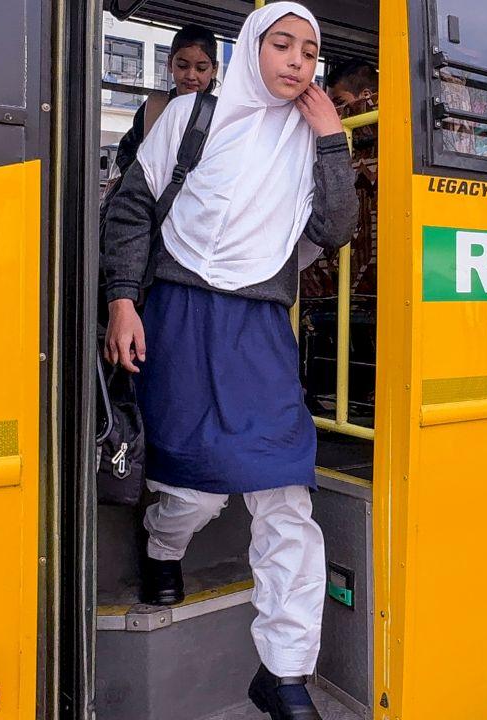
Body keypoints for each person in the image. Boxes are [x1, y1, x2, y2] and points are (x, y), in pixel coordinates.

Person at [102, 4, 357, 718]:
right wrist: (123, 301)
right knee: (195, 492)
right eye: (282, 44)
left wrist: (332, 140)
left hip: (258, 332)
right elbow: (130, 208)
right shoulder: (193, 116)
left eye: (310, 52)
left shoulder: (309, 142)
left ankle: (283, 672)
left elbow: (334, 228)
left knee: (286, 498)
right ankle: (161, 546)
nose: (296, 61)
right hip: (178, 319)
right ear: (250, 47)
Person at [113, 24, 220, 178]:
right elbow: (126, 152)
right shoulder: (154, 107)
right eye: (182, 66)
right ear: (170, 64)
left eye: (201, 68)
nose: (191, 75)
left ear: (214, 69)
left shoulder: (221, 114)